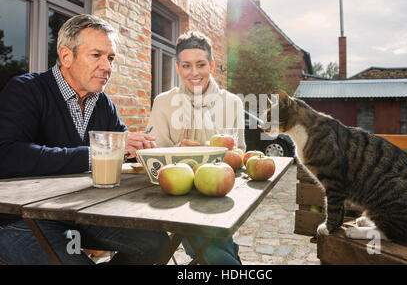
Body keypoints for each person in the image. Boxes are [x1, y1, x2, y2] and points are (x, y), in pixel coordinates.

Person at [0, 14, 169, 264]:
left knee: (156, 243)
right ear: (67, 56)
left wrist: (142, 150)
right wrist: (98, 154)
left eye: (110, 58)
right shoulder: (26, 90)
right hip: (20, 218)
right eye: (96, 55)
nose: (107, 67)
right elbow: (8, 155)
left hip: (79, 213)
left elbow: (122, 145)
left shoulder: (102, 103)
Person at [148, 31, 245, 265]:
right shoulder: (162, 102)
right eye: (186, 65)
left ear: (211, 65)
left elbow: (240, 153)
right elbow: (153, 154)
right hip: (175, 196)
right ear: (178, 68)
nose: (194, 73)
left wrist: (220, 155)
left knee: (214, 248)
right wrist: (178, 149)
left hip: (216, 195)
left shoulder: (232, 103)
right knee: (217, 250)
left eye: (200, 64)